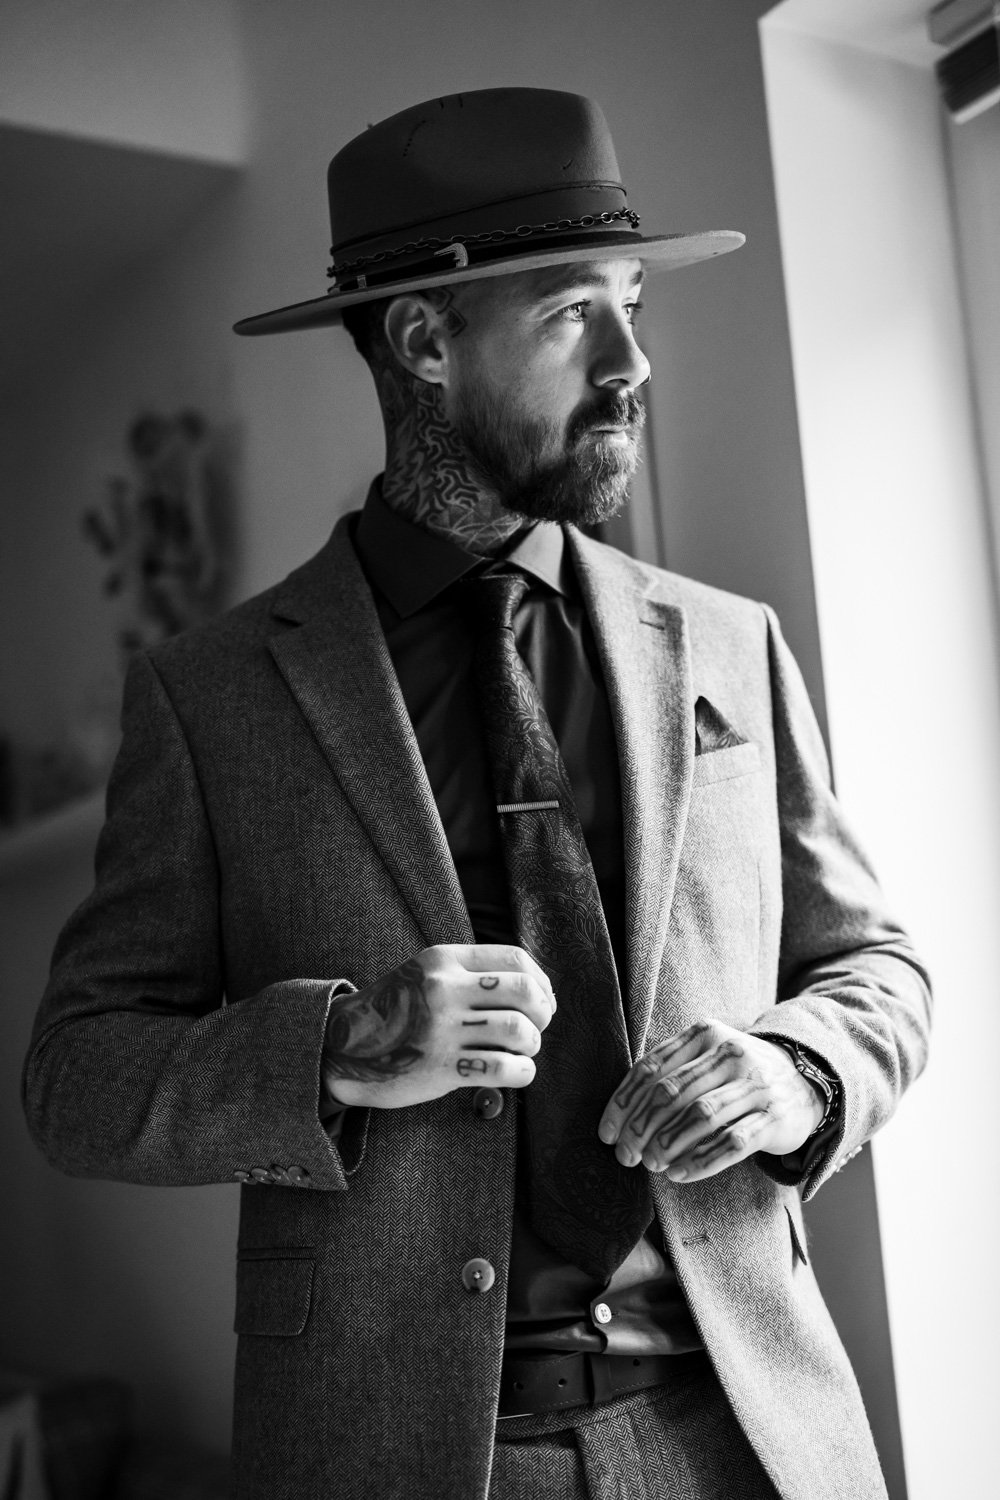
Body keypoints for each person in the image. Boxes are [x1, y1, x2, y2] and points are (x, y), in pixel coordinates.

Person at [23, 88, 931, 1500]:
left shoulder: (731, 647)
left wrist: (797, 1066)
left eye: (634, 302)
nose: (635, 361)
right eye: (577, 312)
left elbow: (878, 969)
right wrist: (334, 1044)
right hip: (402, 1456)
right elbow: (75, 1079)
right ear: (425, 340)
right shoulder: (211, 700)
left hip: (750, 1438)